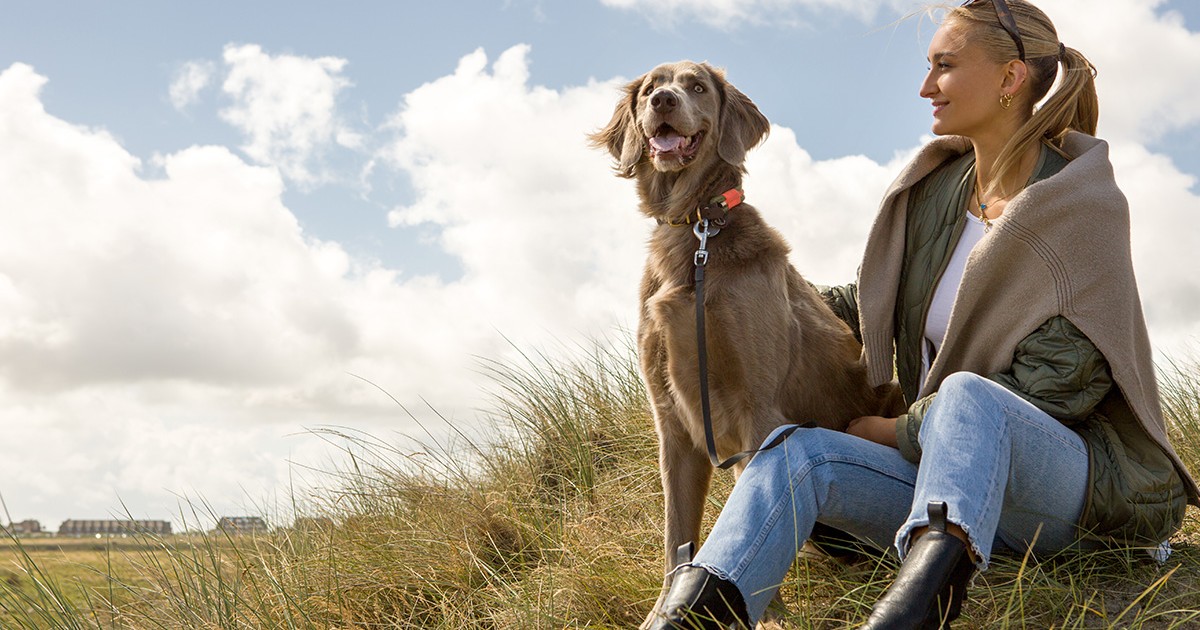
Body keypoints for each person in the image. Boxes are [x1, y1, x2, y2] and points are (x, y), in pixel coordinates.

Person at [645, 0, 1200, 628]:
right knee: (790, 454)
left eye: (944, 66)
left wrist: (895, 432)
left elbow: (1059, 388)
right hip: (945, 479)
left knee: (969, 395)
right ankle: (692, 616)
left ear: (1009, 79)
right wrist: (760, 298)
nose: (925, 86)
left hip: (1078, 497)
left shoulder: (1081, 206)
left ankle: (914, 614)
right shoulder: (938, 191)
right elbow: (871, 307)